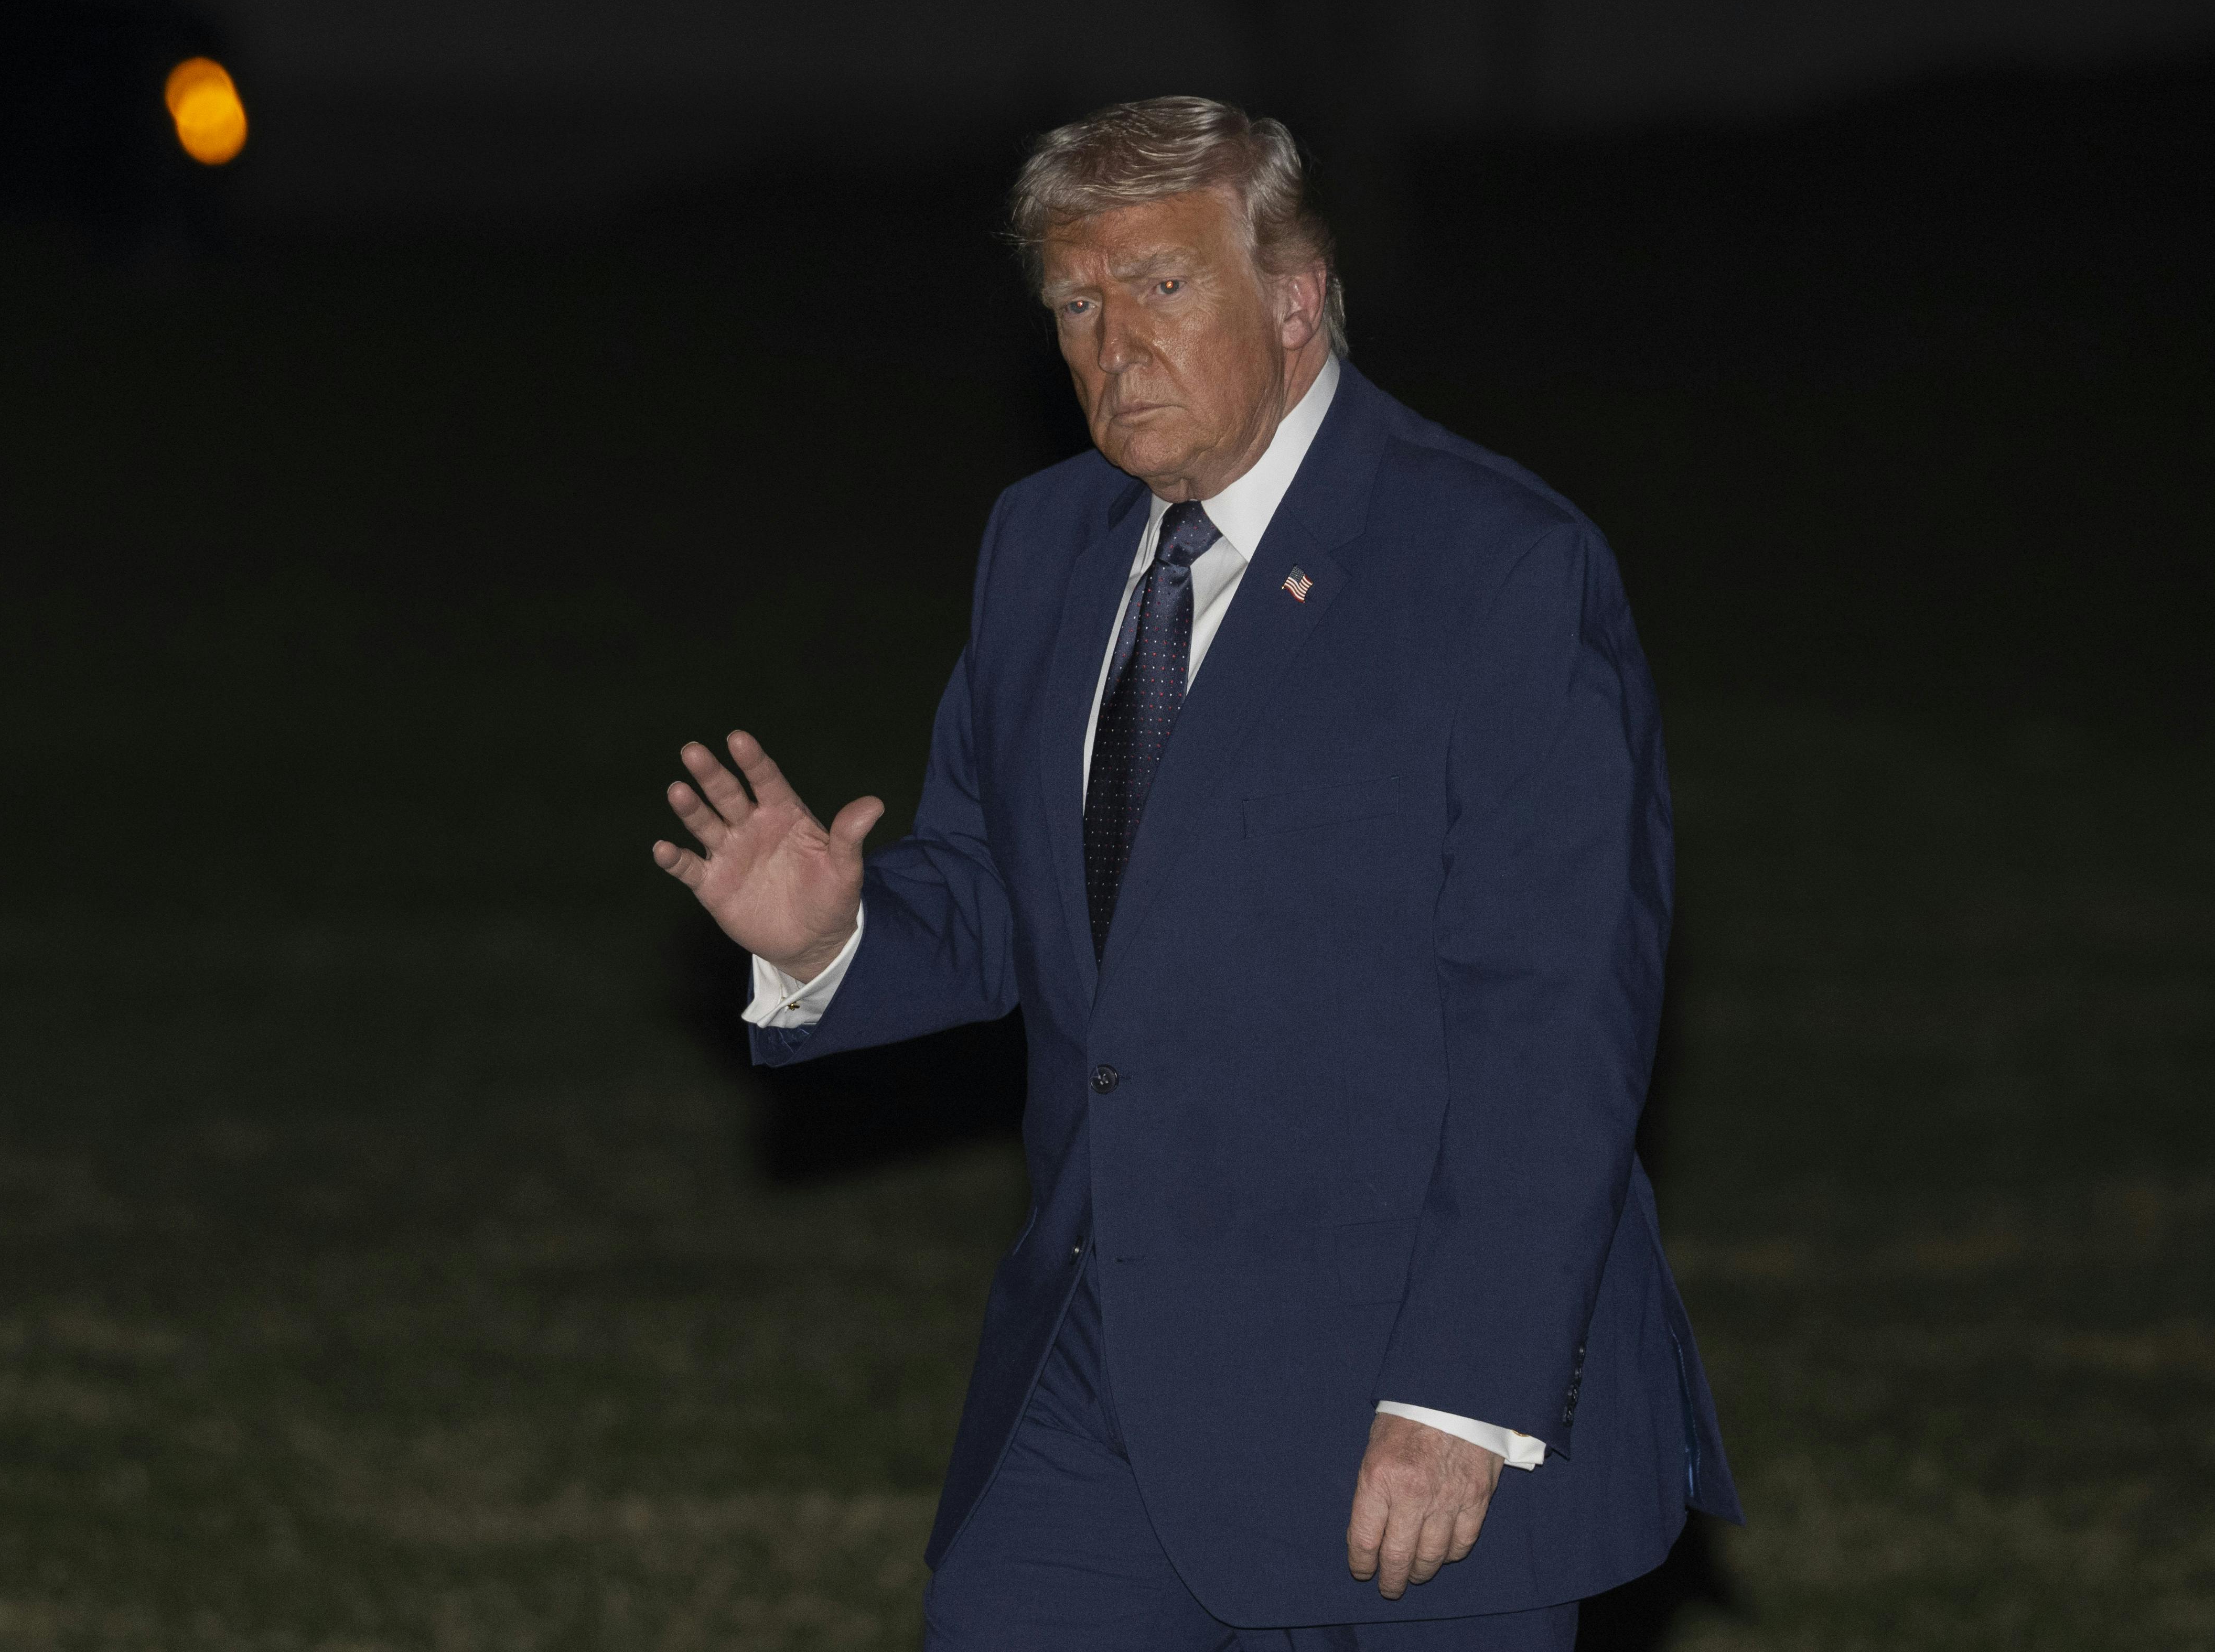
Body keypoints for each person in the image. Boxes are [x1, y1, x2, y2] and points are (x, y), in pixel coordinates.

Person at [650, 96, 1740, 1650]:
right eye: (1076, 305)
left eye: (1159, 287)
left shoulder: (1494, 567)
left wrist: (1459, 1395)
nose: (1110, 345)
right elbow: (1002, 898)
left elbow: (1556, 1015)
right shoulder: (1043, 545)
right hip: (1111, 1359)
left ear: (1293, 301)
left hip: (1401, 1373)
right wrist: (830, 938)